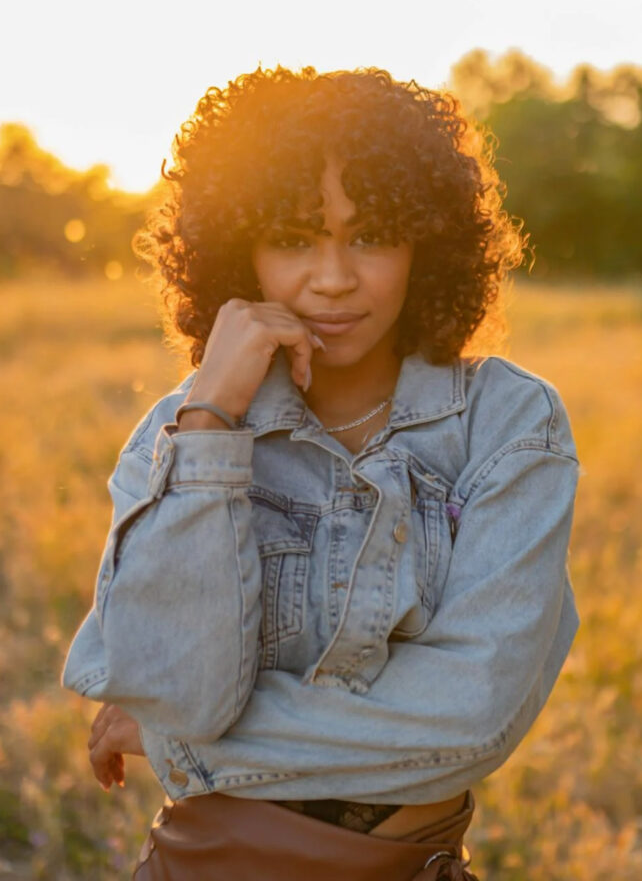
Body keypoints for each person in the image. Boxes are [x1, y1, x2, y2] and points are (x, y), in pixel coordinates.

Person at [62, 65, 580, 880]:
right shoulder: (179, 431)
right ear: (241, 254)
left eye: (371, 235)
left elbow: (469, 720)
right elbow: (177, 686)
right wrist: (210, 421)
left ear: (427, 242)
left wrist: (181, 743)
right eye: (294, 239)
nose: (333, 278)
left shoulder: (508, 424)